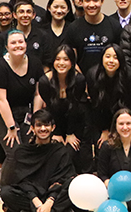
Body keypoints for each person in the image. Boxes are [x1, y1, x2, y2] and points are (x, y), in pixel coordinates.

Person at [0, 109, 77, 212]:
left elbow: (63, 178)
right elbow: (21, 181)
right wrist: (36, 202)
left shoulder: (60, 151)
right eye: (39, 125)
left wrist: (49, 202)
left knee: (73, 185)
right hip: (31, 197)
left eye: (46, 125)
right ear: (32, 128)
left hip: (53, 197)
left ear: (53, 128)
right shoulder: (22, 151)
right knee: (6, 192)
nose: (43, 129)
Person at [0, 30, 44, 154]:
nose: (18, 45)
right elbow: (1, 100)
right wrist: (11, 127)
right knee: (14, 151)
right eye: (13, 43)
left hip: (23, 110)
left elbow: (38, 94)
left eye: (20, 41)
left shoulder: (35, 63)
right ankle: (6, 174)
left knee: (30, 147)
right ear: (7, 47)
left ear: (26, 44)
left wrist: (35, 120)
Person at [37, 45, 91, 173]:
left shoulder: (79, 79)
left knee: (77, 152)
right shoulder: (45, 81)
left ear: (72, 62)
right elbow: (50, 108)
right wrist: (57, 132)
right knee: (57, 152)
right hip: (56, 121)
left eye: (66, 59)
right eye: (58, 59)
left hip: (77, 119)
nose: (61, 63)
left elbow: (76, 106)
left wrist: (70, 133)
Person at [86, 44, 131, 153]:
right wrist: (105, 130)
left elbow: (128, 105)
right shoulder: (92, 75)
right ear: (102, 58)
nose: (111, 61)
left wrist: (117, 130)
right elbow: (96, 106)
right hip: (100, 118)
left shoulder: (129, 75)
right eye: (108, 56)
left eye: (115, 58)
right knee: (102, 145)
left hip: (124, 116)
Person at [63, 0, 123, 72]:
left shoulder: (114, 26)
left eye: (95, 0)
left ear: (102, 1)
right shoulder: (73, 28)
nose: (91, 5)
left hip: (108, 81)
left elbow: (119, 57)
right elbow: (71, 60)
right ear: (81, 2)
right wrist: (81, 80)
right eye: (87, 0)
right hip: (82, 81)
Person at [0, 0, 54, 66]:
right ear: (15, 15)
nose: (25, 15)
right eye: (21, 12)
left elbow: (48, 63)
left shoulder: (43, 36)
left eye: (28, 12)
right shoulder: (5, 36)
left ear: (33, 15)